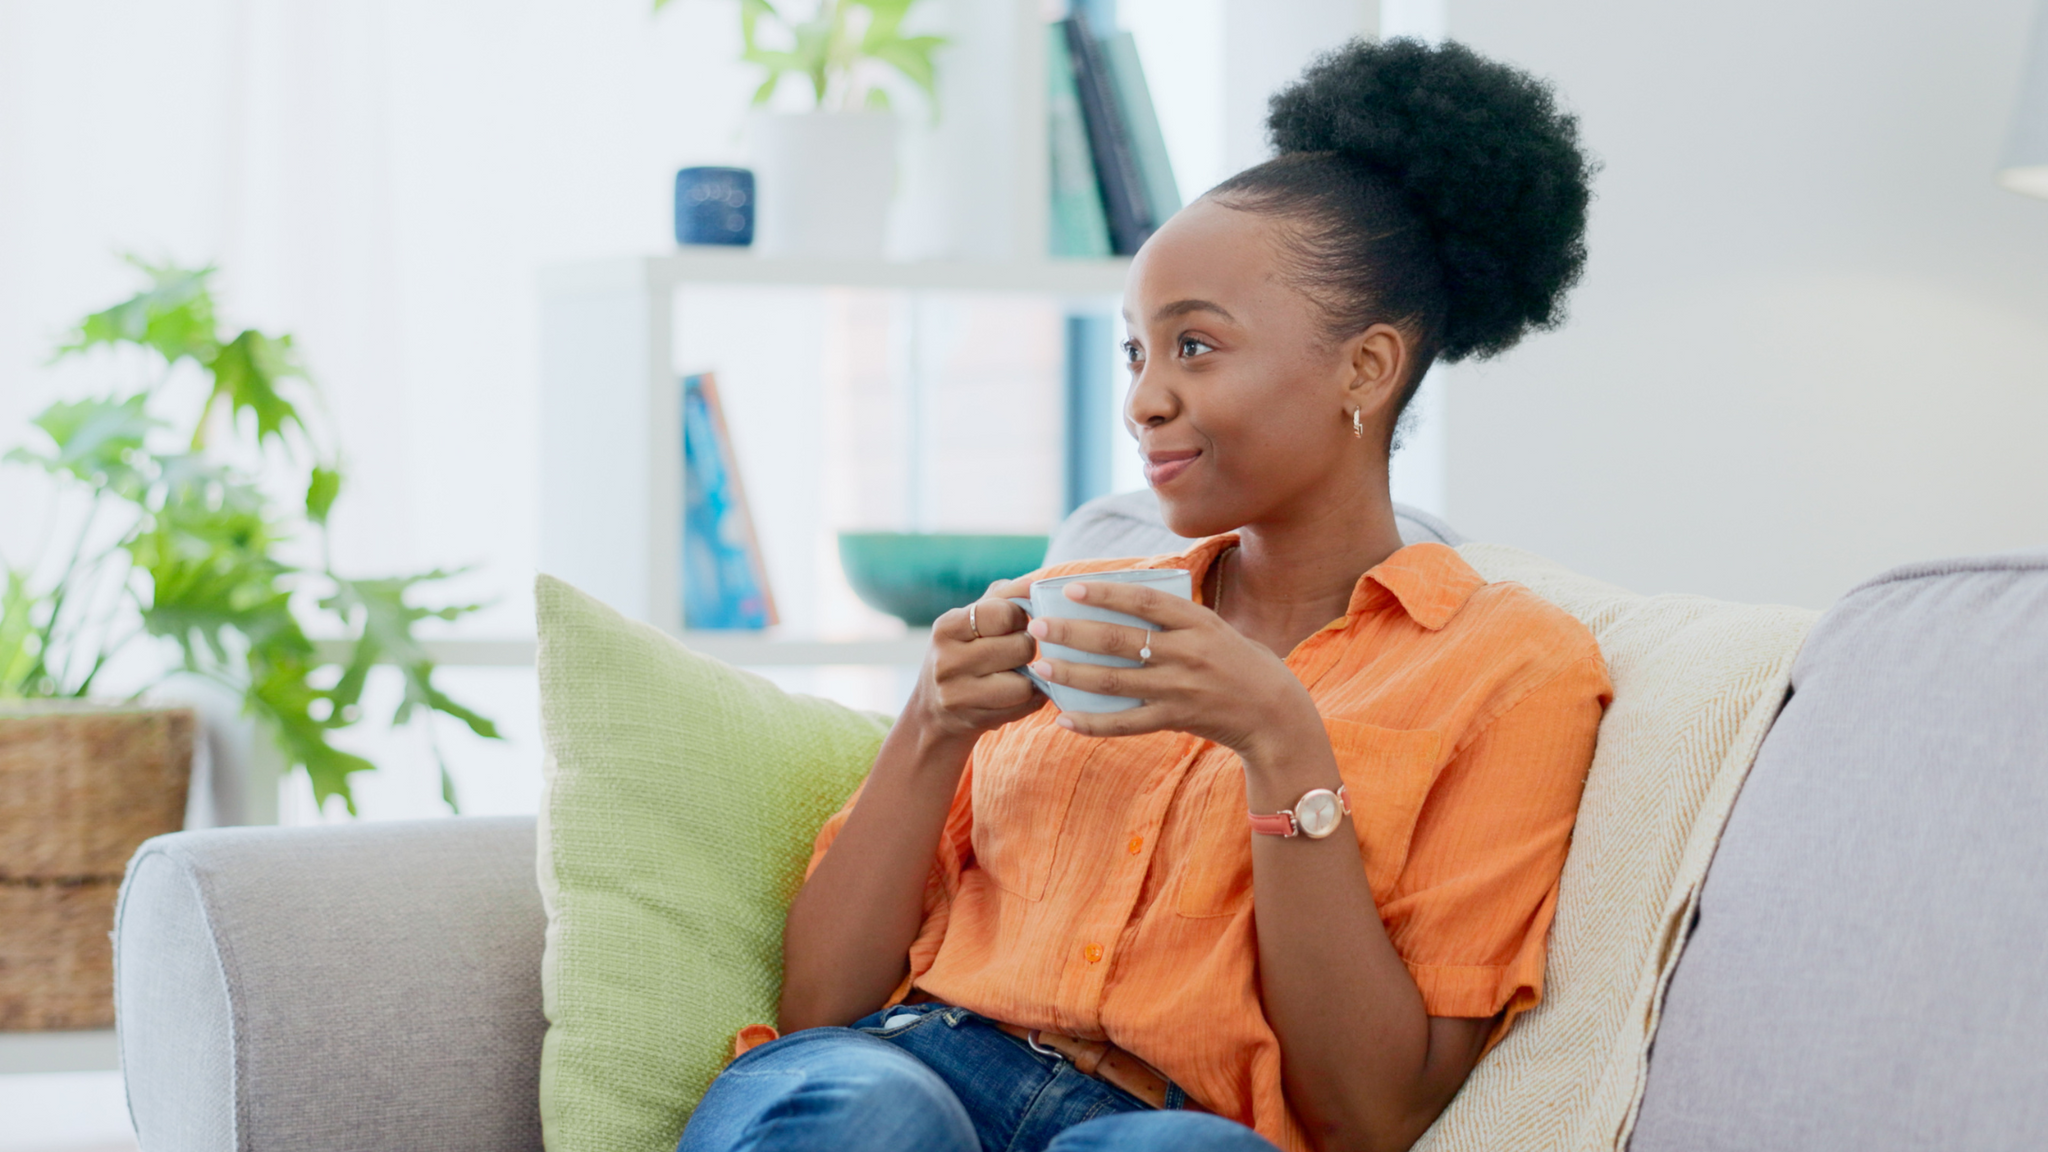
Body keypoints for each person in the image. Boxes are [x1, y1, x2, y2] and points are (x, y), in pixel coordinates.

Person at [679, 36, 1608, 1152]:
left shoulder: (1511, 669)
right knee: (877, 1109)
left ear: (1363, 370)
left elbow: (1371, 1116)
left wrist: (1279, 739)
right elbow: (819, 1008)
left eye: (1195, 347)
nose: (1143, 402)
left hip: (1164, 1122)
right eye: (1133, 354)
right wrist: (931, 723)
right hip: (906, 1068)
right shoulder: (1064, 605)